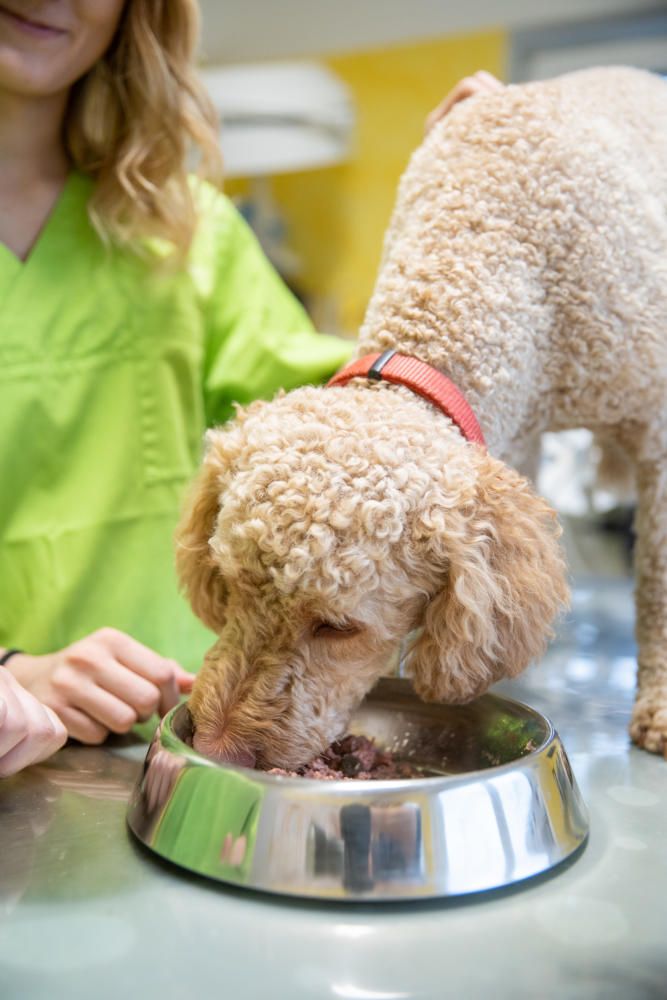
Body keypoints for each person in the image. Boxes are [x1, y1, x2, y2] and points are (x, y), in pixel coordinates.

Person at [0, 0, 501, 775]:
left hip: (194, 744)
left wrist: (465, 208)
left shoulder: (187, 230)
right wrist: (12, 671)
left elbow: (372, 435)